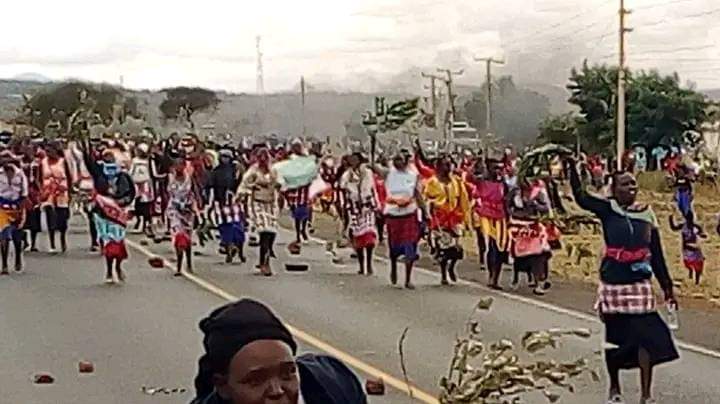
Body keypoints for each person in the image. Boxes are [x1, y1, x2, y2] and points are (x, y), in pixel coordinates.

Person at [567, 157, 678, 404]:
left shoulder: (648, 215)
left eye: (633, 185)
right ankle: (614, 388)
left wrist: (668, 287)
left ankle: (646, 394)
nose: (632, 189)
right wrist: (572, 169)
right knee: (613, 339)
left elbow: (657, 255)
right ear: (613, 190)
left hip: (639, 284)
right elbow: (581, 197)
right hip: (614, 283)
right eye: (625, 185)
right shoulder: (608, 210)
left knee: (646, 338)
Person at [191, 299, 367, 404]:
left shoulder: (334, 384)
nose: (277, 391)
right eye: (256, 380)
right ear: (223, 385)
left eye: (288, 373)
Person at [83, 143, 136, 284]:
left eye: (110, 157)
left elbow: (131, 192)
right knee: (109, 244)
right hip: (103, 214)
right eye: (106, 157)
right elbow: (89, 162)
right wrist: (85, 145)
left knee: (118, 243)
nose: (108, 159)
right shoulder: (99, 173)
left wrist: (124, 202)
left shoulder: (123, 176)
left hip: (118, 214)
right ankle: (108, 270)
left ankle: (118, 267)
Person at [423, 154, 470, 286]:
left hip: (454, 218)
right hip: (439, 220)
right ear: (438, 166)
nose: (448, 167)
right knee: (443, 249)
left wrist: (465, 219)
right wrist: (430, 209)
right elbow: (426, 198)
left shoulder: (457, 181)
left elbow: (463, 200)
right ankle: (443, 274)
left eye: (449, 164)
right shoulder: (432, 182)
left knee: (457, 250)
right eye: (445, 164)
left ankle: (452, 267)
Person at [382, 152, 423, 288]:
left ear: (406, 161)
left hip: (409, 214)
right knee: (394, 247)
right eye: (395, 159)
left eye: (399, 159)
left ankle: (408, 279)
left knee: (410, 246)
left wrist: (426, 213)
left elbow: (417, 195)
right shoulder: (388, 173)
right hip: (393, 215)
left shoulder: (414, 175)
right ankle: (393, 266)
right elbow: (372, 165)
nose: (396, 161)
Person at [239, 147, 280, 276]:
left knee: (272, 232)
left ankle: (267, 255)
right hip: (257, 203)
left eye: (265, 157)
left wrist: (278, 186)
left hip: (271, 203)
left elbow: (280, 183)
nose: (263, 160)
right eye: (260, 157)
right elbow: (244, 185)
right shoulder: (253, 171)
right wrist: (253, 186)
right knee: (264, 232)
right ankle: (264, 262)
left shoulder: (273, 171)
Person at [471, 158, 510, 290]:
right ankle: (491, 276)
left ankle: (496, 278)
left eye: (499, 168)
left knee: (500, 248)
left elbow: (507, 199)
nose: (497, 171)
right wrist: (476, 163)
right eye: (494, 168)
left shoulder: (503, 183)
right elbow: (470, 177)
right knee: (491, 246)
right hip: (486, 215)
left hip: (500, 216)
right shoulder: (481, 181)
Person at [339, 152, 378, 276]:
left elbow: (373, 189)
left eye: (356, 159)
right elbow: (343, 188)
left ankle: (369, 264)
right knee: (358, 238)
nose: (354, 161)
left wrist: (377, 205)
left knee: (369, 236)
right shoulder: (347, 175)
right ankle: (362, 266)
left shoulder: (368, 173)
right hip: (355, 209)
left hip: (367, 207)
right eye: (352, 160)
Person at [167, 159, 199, 276]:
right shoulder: (170, 178)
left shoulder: (189, 179)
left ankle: (189, 262)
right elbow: (168, 194)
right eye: (176, 166)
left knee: (187, 238)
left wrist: (196, 208)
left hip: (188, 211)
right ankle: (179, 266)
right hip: (175, 210)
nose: (178, 168)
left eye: (181, 165)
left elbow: (195, 192)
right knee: (178, 237)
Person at [39, 142, 73, 253]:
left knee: (62, 218)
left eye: (50, 151)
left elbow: (69, 177)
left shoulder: (63, 162)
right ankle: (52, 243)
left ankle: (62, 238)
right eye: (46, 151)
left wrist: (70, 192)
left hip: (62, 193)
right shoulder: (43, 163)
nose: (48, 153)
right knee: (50, 217)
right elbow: (39, 178)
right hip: (48, 193)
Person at [0, 151, 28, 274]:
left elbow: (24, 193)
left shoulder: (20, 174)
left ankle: (18, 258)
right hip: (2, 208)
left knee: (17, 237)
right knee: (3, 235)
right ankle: (4, 264)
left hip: (17, 206)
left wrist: (22, 210)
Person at [669, 211, 705, 285]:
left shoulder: (694, 226)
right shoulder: (687, 226)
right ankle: (692, 273)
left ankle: (696, 280)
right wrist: (670, 219)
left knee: (696, 264)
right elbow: (674, 228)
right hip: (688, 249)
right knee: (692, 264)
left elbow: (701, 233)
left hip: (693, 249)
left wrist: (670, 219)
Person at [129, 143, 154, 236]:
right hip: (137, 184)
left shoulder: (148, 161)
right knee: (138, 204)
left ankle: (146, 224)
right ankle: (140, 221)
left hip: (145, 184)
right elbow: (131, 171)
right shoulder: (135, 161)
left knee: (145, 204)